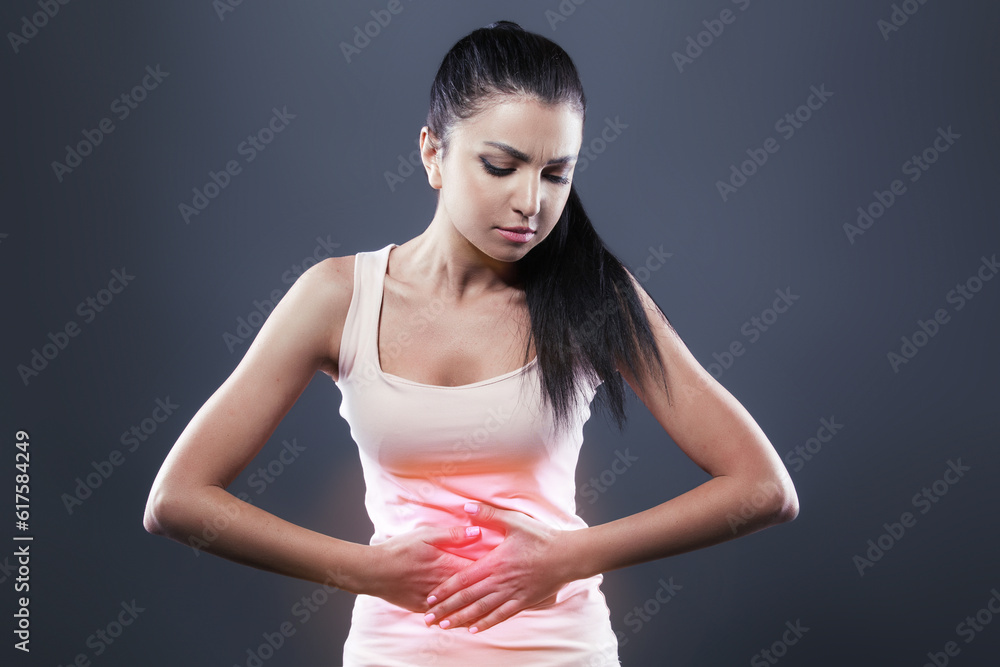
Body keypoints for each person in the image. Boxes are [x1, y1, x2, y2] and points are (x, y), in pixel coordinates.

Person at [143, 20, 799, 666]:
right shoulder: (337, 296)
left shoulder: (591, 293)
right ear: (432, 151)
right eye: (501, 165)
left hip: (559, 653)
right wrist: (367, 570)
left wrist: (569, 555)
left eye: (555, 174)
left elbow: (763, 487)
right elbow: (178, 499)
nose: (531, 202)